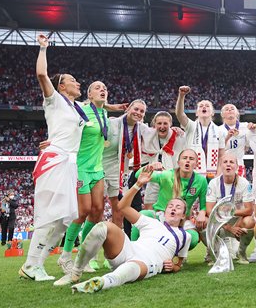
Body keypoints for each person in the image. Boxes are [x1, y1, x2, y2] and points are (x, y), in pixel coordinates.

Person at [53, 168, 191, 292]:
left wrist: (172, 267)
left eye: (178, 207)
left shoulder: (185, 236)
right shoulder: (152, 222)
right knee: (104, 226)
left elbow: (178, 264)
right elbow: (123, 207)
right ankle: (75, 273)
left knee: (131, 268)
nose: (173, 208)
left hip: (148, 261)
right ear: (165, 210)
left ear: (183, 215)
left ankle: (102, 282)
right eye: (170, 205)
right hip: (128, 249)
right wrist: (138, 185)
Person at [20, 34, 86, 281]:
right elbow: (41, 75)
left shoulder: (75, 108)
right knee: (50, 216)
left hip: (69, 163)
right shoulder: (55, 100)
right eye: (73, 81)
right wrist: (43, 48)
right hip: (55, 160)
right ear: (61, 86)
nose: (77, 83)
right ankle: (31, 265)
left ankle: (35, 263)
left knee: (62, 222)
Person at [58, 81, 111, 274]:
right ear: (88, 95)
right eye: (97, 88)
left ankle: (83, 256)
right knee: (83, 212)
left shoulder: (105, 114)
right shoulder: (79, 110)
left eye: (105, 88)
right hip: (80, 167)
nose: (102, 89)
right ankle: (64, 256)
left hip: (98, 168)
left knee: (97, 212)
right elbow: (66, 129)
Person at [131, 149, 207, 251]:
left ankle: (173, 256)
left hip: (181, 221)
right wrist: (151, 166)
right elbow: (138, 175)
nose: (187, 161)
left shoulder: (201, 181)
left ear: (196, 164)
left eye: (191, 159)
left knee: (193, 238)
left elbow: (203, 204)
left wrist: (202, 212)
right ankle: (134, 250)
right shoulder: (167, 175)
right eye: (184, 158)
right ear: (178, 162)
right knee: (143, 214)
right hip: (161, 217)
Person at [103, 99, 150, 236]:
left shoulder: (141, 128)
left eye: (142, 111)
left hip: (121, 173)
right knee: (96, 208)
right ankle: (87, 246)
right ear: (128, 109)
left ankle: (114, 246)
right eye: (136, 109)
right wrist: (107, 106)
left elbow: (158, 132)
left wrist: (173, 130)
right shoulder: (112, 123)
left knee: (119, 209)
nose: (138, 113)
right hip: (102, 168)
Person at [205, 153, 255, 264]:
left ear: (237, 166)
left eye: (231, 162)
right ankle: (212, 251)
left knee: (250, 221)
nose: (228, 165)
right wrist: (228, 227)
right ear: (220, 166)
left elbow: (249, 210)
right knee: (205, 222)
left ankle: (241, 252)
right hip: (219, 221)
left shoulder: (244, 183)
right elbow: (209, 210)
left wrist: (230, 215)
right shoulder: (213, 183)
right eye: (225, 162)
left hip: (237, 221)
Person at [141, 111, 188, 210]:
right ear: (154, 124)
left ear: (170, 124)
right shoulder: (148, 136)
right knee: (148, 206)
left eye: (165, 123)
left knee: (173, 207)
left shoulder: (179, 137)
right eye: (159, 123)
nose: (162, 126)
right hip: (154, 176)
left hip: (172, 177)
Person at [176, 86, 225, 180]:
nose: (204, 107)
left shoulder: (219, 131)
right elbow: (179, 114)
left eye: (207, 106)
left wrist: (218, 174)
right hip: (192, 173)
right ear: (196, 113)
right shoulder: (191, 126)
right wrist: (181, 96)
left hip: (213, 175)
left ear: (213, 112)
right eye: (201, 106)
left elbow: (221, 155)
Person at [217, 104, 248, 177]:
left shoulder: (246, 126)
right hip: (224, 166)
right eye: (227, 109)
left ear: (237, 113)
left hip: (239, 165)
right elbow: (217, 150)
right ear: (222, 115)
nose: (230, 110)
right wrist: (227, 137)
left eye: (232, 108)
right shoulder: (218, 130)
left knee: (240, 187)